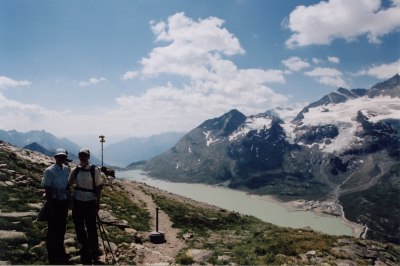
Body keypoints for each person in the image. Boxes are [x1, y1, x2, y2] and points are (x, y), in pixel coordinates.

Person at [68, 147, 102, 264]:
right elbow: (69, 183)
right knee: (79, 226)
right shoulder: (75, 170)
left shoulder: (94, 170)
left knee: (91, 227)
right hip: (77, 201)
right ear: (79, 156)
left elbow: (98, 187)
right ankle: (84, 246)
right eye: (81, 155)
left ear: (88, 157)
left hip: (90, 202)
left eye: (85, 155)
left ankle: (94, 249)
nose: (83, 157)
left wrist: (98, 202)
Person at [41, 148, 70, 265]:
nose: (61, 158)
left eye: (63, 156)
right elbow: (47, 188)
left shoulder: (66, 169)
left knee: (62, 226)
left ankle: (60, 249)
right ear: (55, 157)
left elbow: (67, 185)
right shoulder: (49, 171)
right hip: (54, 201)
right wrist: (50, 206)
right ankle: (52, 254)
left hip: (63, 201)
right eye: (59, 156)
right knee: (53, 228)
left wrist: (69, 198)